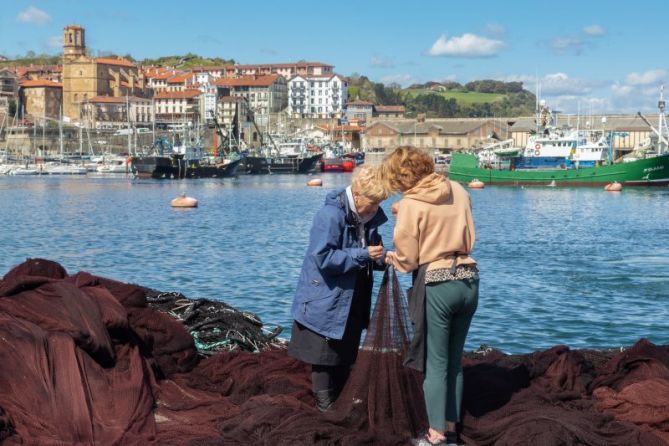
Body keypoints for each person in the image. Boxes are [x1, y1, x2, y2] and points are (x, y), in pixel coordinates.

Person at [381, 146, 479, 446]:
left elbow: (408, 259)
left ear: (401, 177)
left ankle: (434, 436)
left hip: (437, 282)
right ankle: (450, 428)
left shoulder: (411, 204)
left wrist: (390, 258)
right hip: (469, 278)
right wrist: (406, 207)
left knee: (434, 361)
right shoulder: (459, 190)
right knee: (453, 360)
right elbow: (448, 217)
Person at [288, 165, 390, 412]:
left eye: (379, 202)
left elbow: (369, 252)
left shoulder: (369, 218)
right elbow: (322, 257)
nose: (376, 208)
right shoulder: (330, 215)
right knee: (323, 358)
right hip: (326, 297)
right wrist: (363, 254)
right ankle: (326, 409)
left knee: (345, 356)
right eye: (373, 202)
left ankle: (339, 404)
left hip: (352, 298)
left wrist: (381, 258)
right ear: (357, 195)